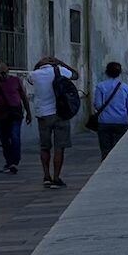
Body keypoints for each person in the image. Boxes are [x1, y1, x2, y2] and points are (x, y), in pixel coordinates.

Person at [27, 54, 78, 188]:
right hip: (60, 113)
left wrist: (39, 63)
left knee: (45, 147)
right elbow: (75, 75)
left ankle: (46, 176)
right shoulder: (60, 71)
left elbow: (30, 78)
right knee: (59, 148)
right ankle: (56, 178)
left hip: (43, 115)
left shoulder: (35, 74)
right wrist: (61, 63)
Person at [0, 61, 28, 174]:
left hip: (15, 113)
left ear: (8, 72)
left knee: (15, 136)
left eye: (3, 73)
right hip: (0, 115)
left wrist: (28, 112)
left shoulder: (16, 81)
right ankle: (9, 161)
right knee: (4, 140)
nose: (0, 76)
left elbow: (24, 97)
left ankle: (15, 162)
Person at [90, 61, 128, 158]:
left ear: (106, 72)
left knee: (105, 150)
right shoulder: (125, 87)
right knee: (119, 149)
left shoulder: (100, 86)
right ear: (120, 73)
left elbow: (98, 105)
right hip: (121, 121)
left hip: (104, 122)